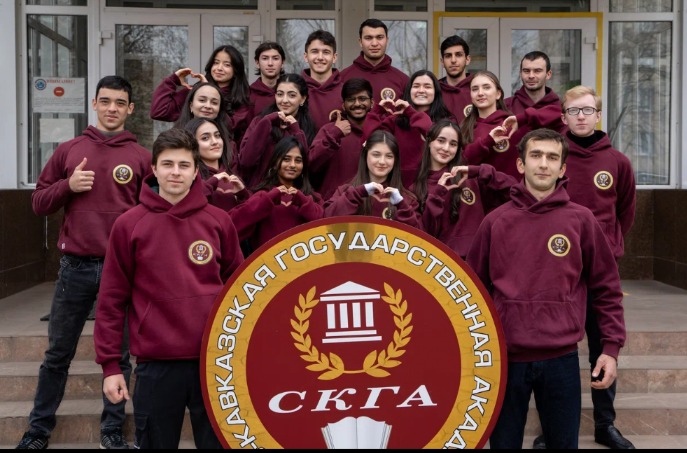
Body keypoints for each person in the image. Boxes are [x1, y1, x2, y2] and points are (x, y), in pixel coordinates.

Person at [466, 128, 627, 449]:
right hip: (505, 359)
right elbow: (472, 292)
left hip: (561, 359)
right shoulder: (495, 222)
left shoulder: (581, 220)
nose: (543, 164)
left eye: (552, 158)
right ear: (520, 164)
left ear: (562, 168)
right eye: (536, 155)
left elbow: (607, 288)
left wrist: (610, 349)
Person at [18, 75, 151, 450]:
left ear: (130, 109)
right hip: (75, 268)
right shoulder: (69, 150)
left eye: (120, 102)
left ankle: (112, 430)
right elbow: (39, 203)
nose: (112, 108)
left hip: (121, 271)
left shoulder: (142, 158)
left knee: (119, 357)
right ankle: (38, 429)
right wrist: (68, 186)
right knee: (57, 354)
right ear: (94, 104)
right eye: (105, 101)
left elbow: (153, 213)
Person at [94, 128, 244, 449]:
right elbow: (111, 301)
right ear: (154, 168)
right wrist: (110, 366)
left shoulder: (219, 221)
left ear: (196, 171)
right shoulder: (129, 225)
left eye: (184, 165)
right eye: (168, 164)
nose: (176, 172)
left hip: (214, 362)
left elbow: (241, 293)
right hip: (156, 365)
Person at [558, 85, 637, 450]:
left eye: (587, 110)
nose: (581, 116)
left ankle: (605, 424)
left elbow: (625, 212)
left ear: (598, 115)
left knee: (603, 344)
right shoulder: (554, 156)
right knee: (557, 350)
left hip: (599, 272)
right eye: (574, 110)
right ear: (564, 116)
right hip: (559, 268)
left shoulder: (618, 162)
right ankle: (556, 425)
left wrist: (609, 246)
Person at [412, 120, 516, 259]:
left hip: (477, 262)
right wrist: (438, 193)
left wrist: (480, 171)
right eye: (441, 141)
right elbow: (422, 235)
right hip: (442, 265)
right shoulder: (416, 188)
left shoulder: (469, 178)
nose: (446, 148)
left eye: (453, 144)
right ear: (429, 142)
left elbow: (515, 191)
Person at [229, 136, 323, 252]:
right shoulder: (261, 195)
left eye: (298, 161)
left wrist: (303, 201)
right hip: (266, 262)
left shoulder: (313, 198)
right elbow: (233, 226)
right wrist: (268, 199)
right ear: (275, 163)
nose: (292, 165)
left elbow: (325, 228)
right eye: (286, 159)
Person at [363, 69, 450, 187]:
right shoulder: (395, 120)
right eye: (416, 86)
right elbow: (368, 142)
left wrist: (412, 113)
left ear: (436, 92)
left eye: (427, 86)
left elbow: (432, 134)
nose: (421, 90)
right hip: (398, 187)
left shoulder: (447, 121)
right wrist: (376, 112)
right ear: (409, 91)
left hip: (433, 186)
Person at [150, 45, 253, 143]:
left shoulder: (242, 98)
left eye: (227, 65)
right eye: (216, 63)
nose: (219, 68)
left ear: (236, 70)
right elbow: (159, 111)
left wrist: (209, 90)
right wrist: (173, 80)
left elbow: (230, 127)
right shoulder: (195, 91)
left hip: (220, 151)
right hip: (187, 147)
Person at [324, 129, 421, 229]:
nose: (382, 161)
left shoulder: (407, 199)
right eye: (376, 155)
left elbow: (419, 236)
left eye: (389, 156)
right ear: (365, 155)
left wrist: (401, 205)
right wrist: (358, 193)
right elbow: (325, 223)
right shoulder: (345, 191)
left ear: (395, 160)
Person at [239, 73, 316, 189]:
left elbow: (306, 166)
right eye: (280, 94)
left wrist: (296, 129)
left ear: (303, 99)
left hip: (293, 193)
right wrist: (267, 123)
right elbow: (246, 161)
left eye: (291, 95)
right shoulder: (260, 121)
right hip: (261, 191)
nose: (284, 100)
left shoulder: (307, 127)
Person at [309, 78, 373, 200]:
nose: (357, 104)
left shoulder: (379, 131)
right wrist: (335, 134)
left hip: (369, 204)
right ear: (343, 105)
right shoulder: (329, 130)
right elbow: (312, 165)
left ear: (372, 103)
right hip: (334, 204)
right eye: (351, 99)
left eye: (362, 99)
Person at [183, 117, 249, 211]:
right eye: (205, 138)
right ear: (191, 143)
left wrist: (243, 194)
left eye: (217, 136)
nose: (215, 142)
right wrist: (211, 183)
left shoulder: (233, 175)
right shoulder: (189, 176)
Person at [340, 18, 409, 103]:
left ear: (387, 41)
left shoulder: (403, 81)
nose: (374, 43)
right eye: (368, 38)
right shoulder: (342, 78)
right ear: (360, 42)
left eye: (379, 37)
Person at [301, 29, 344, 130]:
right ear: (306, 56)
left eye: (326, 52)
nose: (320, 57)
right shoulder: (296, 91)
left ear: (334, 57)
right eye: (315, 51)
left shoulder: (345, 92)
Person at [505, 51, 560, 115]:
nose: (531, 76)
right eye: (526, 71)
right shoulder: (506, 107)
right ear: (520, 74)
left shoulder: (560, 107)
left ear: (548, 74)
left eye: (537, 71)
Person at [438, 35, 474, 123]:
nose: (453, 60)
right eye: (448, 56)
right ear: (442, 62)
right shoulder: (435, 91)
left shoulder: (477, 89)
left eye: (458, 55)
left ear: (467, 59)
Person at [251, 41, 286, 117]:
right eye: (265, 58)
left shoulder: (291, 93)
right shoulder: (248, 94)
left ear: (282, 63)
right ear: (257, 63)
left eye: (275, 58)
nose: (270, 63)